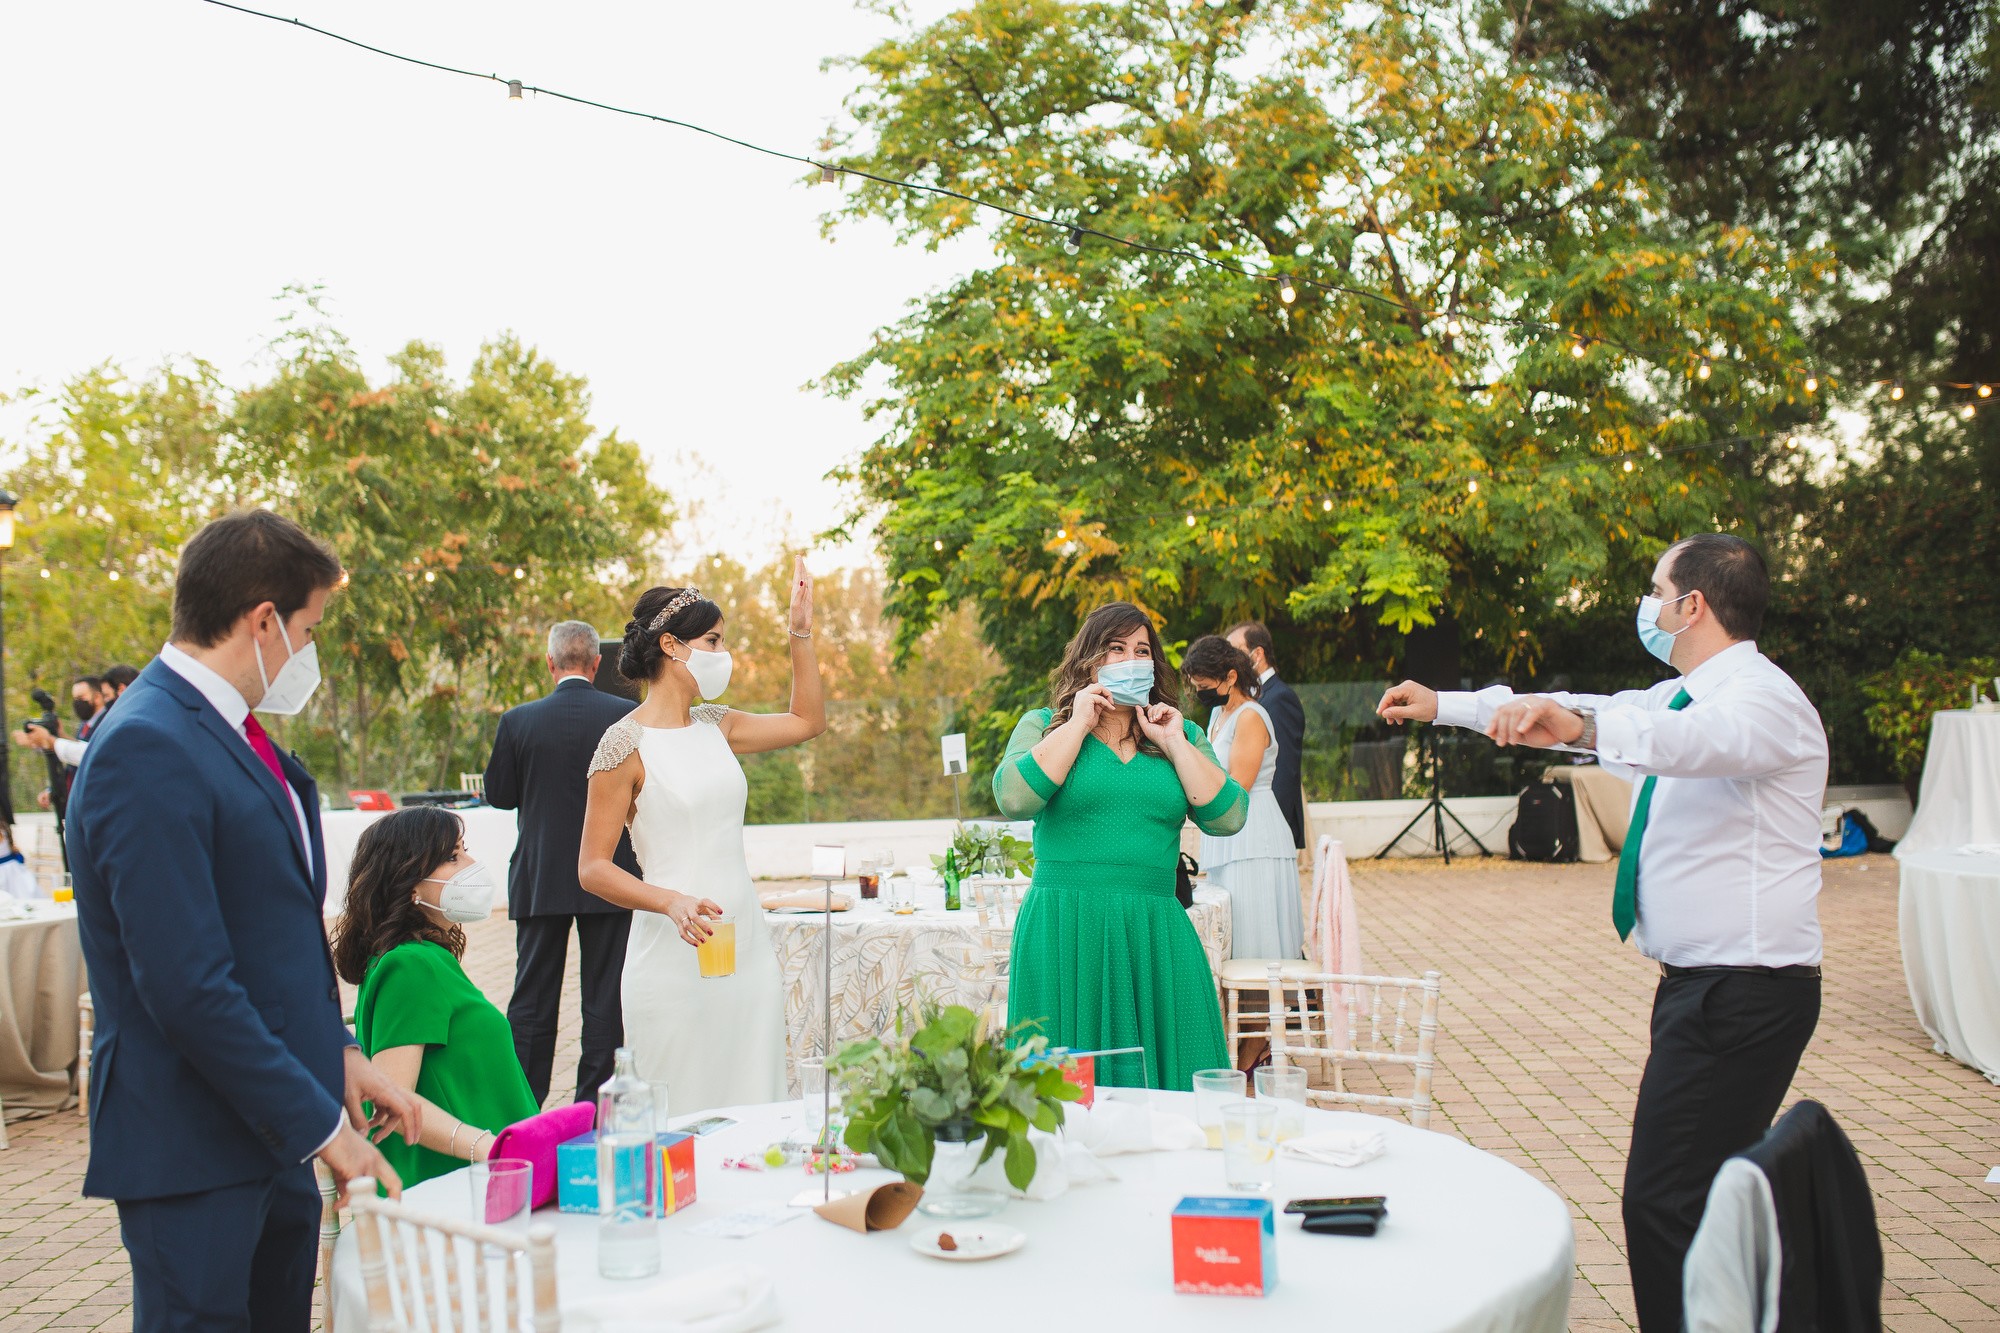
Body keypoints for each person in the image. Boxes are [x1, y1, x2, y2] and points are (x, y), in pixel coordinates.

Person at [1376, 534, 1826, 1333]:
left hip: (1744, 990)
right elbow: (1607, 715)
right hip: (1708, 988)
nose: (1646, 605)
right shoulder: (1679, 696)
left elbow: (1681, 745)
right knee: (1706, 1190)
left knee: (1664, 1196)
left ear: (1692, 605)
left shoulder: (1761, 700)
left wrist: (1576, 721)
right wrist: (1447, 704)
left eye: (1655, 589)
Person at [67, 508, 416, 1332]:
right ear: (263, 620)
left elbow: (273, 932)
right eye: (308, 628)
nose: (308, 651)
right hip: (192, 1145)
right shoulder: (145, 745)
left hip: (272, 1129)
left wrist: (338, 1051)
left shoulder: (238, 738)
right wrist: (325, 1128)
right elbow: (186, 983)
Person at [579, 559, 825, 1115]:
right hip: (671, 955)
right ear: (671, 645)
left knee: (752, 1100)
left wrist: (800, 634)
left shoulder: (720, 724)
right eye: (713, 640)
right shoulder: (622, 746)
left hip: (746, 949)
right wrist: (671, 902)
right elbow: (592, 867)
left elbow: (808, 720)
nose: (723, 653)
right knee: (680, 1111)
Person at [994, 602, 1248, 1090]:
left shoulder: (1183, 732)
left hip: (1155, 929)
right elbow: (1013, 797)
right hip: (1065, 928)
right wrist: (1078, 724)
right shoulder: (1044, 724)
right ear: (1090, 661)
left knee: (1172, 1087)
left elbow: (1229, 816)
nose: (1130, 659)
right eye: (1115, 649)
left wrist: (1173, 742)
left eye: (1141, 650)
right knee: (1062, 1096)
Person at [332, 807, 540, 1189]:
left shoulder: (420, 958)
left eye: (464, 851)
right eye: (451, 857)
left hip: (492, 1176)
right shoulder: (411, 966)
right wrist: (492, 1149)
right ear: (409, 883)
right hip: (460, 1186)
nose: (471, 865)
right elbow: (392, 1098)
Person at [483, 620, 641, 1106]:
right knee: (604, 1001)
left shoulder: (518, 720)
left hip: (540, 877)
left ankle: (524, 1108)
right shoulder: (628, 716)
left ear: (549, 662)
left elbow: (500, 795)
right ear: (597, 664)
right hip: (610, 874)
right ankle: (593, 1113)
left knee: (530, 1001)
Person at [1182, 635, 1304, 961]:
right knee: (1233, 932)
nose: (1200, 693)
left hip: (1254, 835)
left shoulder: (1251, 716)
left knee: (1256, 935)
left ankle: (1265, 1005)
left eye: (1204, 685)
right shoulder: (1218, 715)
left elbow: (1238, 786)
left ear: (1231, 677)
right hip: (1227, 832)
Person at [1226, 622, 1308, 853]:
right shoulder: (1249, 697)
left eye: (1234, 651)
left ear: (1258, 654)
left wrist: (1274, 826)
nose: (1229, 659)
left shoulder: (1279, 698)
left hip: (1271, 825)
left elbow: (1283, 769)